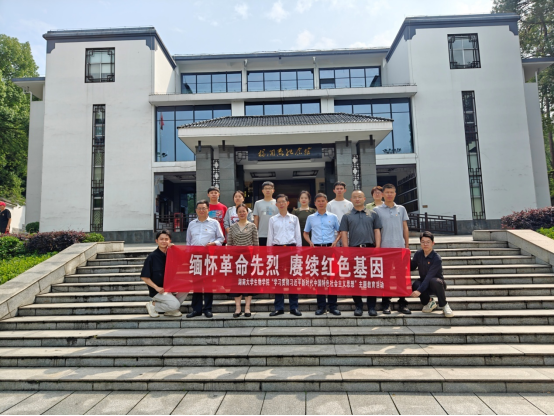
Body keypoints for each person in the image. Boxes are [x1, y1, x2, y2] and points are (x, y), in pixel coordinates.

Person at [339, 190, 383, 317]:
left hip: (370, 250)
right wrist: (346, 250)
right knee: (355, 280)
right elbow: (344, 233)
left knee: (372, 279)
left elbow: (377, 231)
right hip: (354, 250)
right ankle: (358, 306)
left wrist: (378, 247)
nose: (357, 199)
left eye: (359, 197)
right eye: (354, 197)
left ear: (364, 199)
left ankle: (371, 307)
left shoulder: (373, 214)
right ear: (351, 199)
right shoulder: (346, 216)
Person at [374, 184, 411, 315]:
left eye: (392, 192)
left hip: (399, 248)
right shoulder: (377, 210)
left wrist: (407, 245)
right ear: (383, 194)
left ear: (395, 194)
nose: (389, 194)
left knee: (401, 277)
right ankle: (386, 303)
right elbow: (376, 229)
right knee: (386, 277)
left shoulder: (401, 209)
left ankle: (402, 302)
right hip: (385, 248)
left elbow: (405, 227)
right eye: (387, 192)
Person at [186, 200, 225, 319]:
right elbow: (188, 241)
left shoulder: (214, 223)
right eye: (199, 208)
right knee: (196, 283)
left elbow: (221, 238)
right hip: (195, 257)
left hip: (209, 256)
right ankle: (196, 309)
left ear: (208, 210)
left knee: (208, 283)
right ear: (196, 210)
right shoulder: (192, 224)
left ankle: (207, 309)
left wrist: (213, 243)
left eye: (204, 208)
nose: (201, 210)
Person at [304, 193, 341, 316]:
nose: (321, 203)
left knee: (332, 278)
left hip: (330, 249)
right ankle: (321, 306)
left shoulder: (333, 217)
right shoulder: (311, 218)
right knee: (319, 278)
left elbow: (340, 231)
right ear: (315, 203)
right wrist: (310, 242)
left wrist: (335, 242)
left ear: (326, 202)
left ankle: (333, 306)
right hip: (317, 250)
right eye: (318, 201)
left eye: (323, 201)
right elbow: (305, 233)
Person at [267, 194, 303, 317]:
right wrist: (269, 254)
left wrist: (299, 253)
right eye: (279, 202)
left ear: (287, 203)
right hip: (277, 250)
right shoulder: (272, 219)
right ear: (276, 204)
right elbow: (270, 237)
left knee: (293, 279)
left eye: (283, 201)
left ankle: (294, 307)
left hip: (291, 249)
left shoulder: (294, 218)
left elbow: (298, 236)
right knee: (278, 280)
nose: (281, 204)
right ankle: (279, 308)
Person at [141, 230, 187, 318]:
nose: (164, 241)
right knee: (175, 305)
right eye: (161, 239)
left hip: (170, 286)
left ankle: (171, 310)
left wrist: (175, 249)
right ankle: (153, 305)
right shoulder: (152, 257)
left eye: (166, 239)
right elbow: (144, 277)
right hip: (158, 290)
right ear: (156, 241)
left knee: (187, 285)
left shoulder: (172, 254)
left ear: (170, 241)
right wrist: (156, 287)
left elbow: (184, 259)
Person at [410, 231, 454, 318]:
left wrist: (419, 291)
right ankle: (430, 302)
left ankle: (444, 305)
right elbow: (412, 267)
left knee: (433, 281)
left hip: (437, 284)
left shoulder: (436, 258)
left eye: (428, 242)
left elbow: (429, 276)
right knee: (416, 284)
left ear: (433, 243)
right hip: (424, 283)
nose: (425, 244)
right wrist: (406, 258)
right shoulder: (418, 254)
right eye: (423, 242)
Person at [227, 203, 259, 318]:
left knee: (248, 282)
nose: (242, 213)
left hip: (248, 257)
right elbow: (229, 244)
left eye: (243, 211)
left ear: (247, 212)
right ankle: (238, 308)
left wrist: (256, 259)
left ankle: (247, 308)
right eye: (239, 211)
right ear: (237, 213)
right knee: (236, 282)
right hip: (236, 258)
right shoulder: (232, 227)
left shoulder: (252, 226)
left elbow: (256, 244)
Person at [327, 182, 354, 246]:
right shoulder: (329, 204)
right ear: (334, 190)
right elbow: (328, 218)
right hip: (334, 233)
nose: (339, 190)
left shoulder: (349, 204)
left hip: (347, 232)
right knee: (335, 251)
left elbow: (352, 218)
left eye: (341, 188)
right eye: (337, 188)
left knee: (346, 250)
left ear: (345, 190)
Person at [253, 181, 279, 246]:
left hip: (275, 234)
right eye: (266, 188)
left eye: (269, 188)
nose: (268, 190)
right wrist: (255, 233)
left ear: (273, 190)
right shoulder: (257, 203)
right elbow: (256, 219)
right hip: (261, 234)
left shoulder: (278, 203)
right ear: (262, 191)